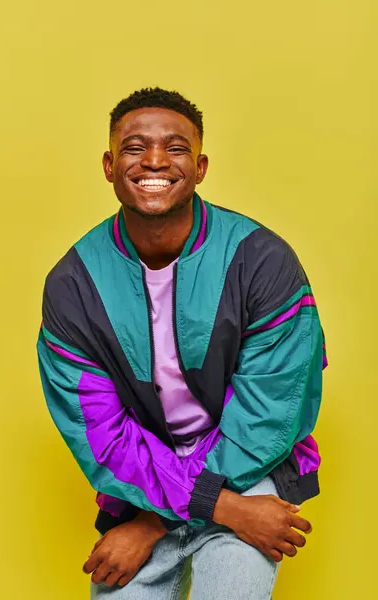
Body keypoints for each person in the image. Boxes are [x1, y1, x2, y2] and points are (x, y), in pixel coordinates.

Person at [37, 87, 328, 599]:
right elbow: (100, 435)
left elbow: (268, 417)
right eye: (134, 147)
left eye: (175, 148)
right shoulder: (73, 284)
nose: (154, 160)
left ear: (200, 167)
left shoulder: (260, 260)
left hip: (248, 471)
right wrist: (215, 508)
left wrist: (154, 524)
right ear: (109, 165)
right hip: (144, 476)